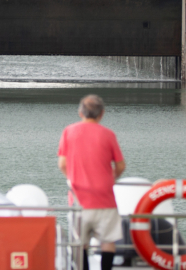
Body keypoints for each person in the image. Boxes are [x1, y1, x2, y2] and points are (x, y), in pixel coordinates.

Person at [58, 95, 126, 270]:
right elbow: (120, 165)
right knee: (108, 241)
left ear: (80, 112)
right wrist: (111, 178)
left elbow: (62, 164)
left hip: (79, 199)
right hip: (105, 199)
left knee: (81, 244)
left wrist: (72, 179)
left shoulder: (69, 131)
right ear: (101, 114)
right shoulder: (108, 134)